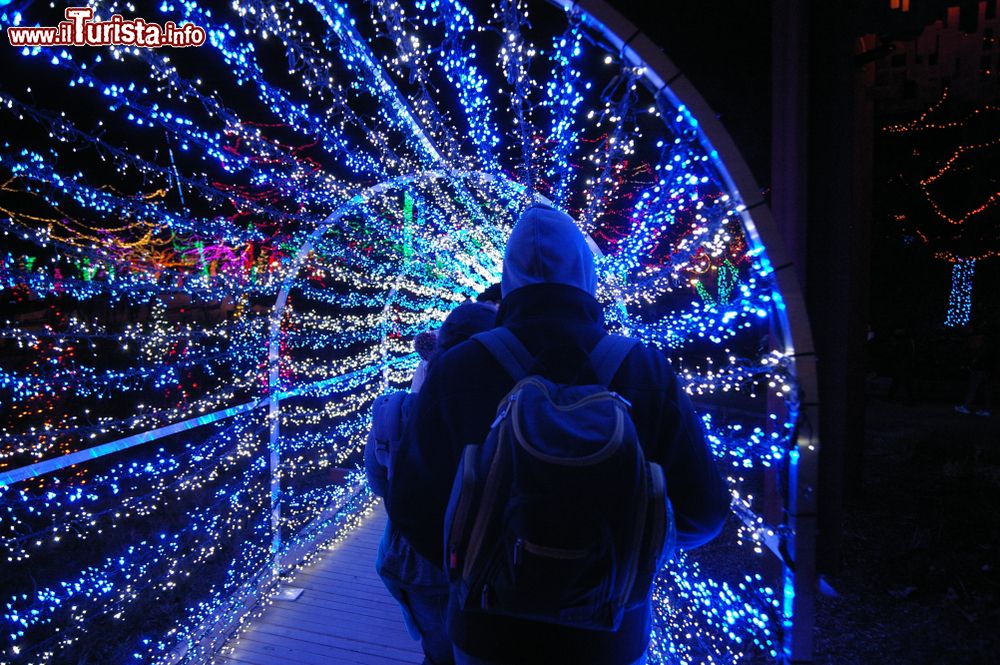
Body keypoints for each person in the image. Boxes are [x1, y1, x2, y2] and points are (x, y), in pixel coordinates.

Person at [387, 203, 729, 665]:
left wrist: (477, 562)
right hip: (612, 635)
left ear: (508, 278)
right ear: (586, 275)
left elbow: (412, 503)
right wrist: (623, 557)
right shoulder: (642, 368)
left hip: (488, 631)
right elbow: (702, 516)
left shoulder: (459, 367)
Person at [365, 302, 497, 665]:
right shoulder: (506, 405)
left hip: (413, 559)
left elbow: (378, 483)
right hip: (487, 556)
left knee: (439, 651)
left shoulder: (398, 408)